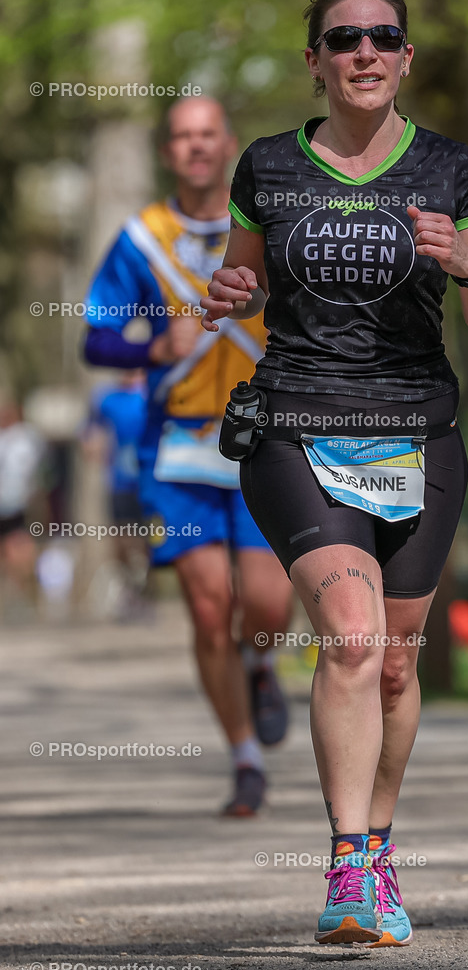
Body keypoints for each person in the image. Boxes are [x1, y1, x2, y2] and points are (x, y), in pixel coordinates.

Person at [201, 0, 468, 946]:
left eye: (383, 36)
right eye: (343, 40)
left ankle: (377, 845)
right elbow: (246, 281)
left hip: (417, 437)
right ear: (315, 61)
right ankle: (346, 869)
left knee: (392, 665)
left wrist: (463, 265)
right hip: (295, 426)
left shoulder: (451, 171)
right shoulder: (266, 166)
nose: (365, 53)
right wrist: (226, 295)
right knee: (350, 633)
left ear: (406, 56)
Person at [82, 97, 293, 816]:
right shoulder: (143, 238)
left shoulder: (271, 221)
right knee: (210, 610)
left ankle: (261, 662)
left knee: (266, 604)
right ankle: (242, 758)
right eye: (182, 137)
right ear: (168, 151)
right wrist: (150, 347)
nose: (197, 148)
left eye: (208, 135)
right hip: (178, 442)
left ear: (227, 143)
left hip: (264, 434)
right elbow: (95, 337)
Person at [83, 371, 150, 620]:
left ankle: (143, 590)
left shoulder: (151, 391)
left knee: (148, 540)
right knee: (121, 539)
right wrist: (91, 444)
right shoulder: (106, 398)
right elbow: (90, 429)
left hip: (150, 480)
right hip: (119, 481)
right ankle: (130, 590)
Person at [0, 398, 45, 617]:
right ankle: (15, 591)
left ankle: (27, 589)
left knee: (18, 547)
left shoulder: (26, 437)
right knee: (9, 551)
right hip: (4, 501)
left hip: (17, 502)